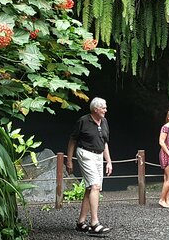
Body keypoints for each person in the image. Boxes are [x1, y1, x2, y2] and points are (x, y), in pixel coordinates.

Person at [66, 97, 112, 237]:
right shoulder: (83, 121)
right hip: (85, 153)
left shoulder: (104, 122)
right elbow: (72, 140)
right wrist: (69, 160)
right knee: (95, 186)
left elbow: (104, 142)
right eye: (103, 107)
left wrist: (109, 161)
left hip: (98, 156)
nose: (105, 110)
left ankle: (81, 222)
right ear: (95, 109)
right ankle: (94, 223)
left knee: (90, 188)